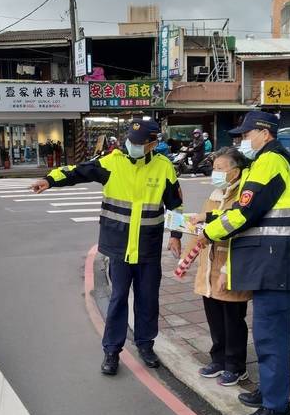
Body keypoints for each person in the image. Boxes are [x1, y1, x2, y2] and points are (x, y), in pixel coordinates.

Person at [31, 119, 183, 375]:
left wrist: (176, 234)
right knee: (118, 299)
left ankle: (146, 345)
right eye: (130, 141)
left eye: (138, 143)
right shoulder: (111, 162)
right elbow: (78, 171)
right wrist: (50, 180)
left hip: (148, 247)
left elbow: (175, 206)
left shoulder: (164, 167)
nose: (132, 146)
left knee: (148, 301)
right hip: (118, 246)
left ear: (153, 144)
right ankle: (112, 351)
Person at [195, 110, 290, 415]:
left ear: (264, 133)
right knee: (266, 333)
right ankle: (271, 392)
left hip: (276, 262)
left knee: (271, 336)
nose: (242, 140)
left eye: (246, 135)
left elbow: (245, 213)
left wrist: (210, 232)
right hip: (271, 261)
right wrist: (210, 221)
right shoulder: (267, 161)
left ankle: (277, 407)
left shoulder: (269, 162)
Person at [187, 147, 253, 386]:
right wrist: (187, 259)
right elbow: (201, 229)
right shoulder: (215, 194)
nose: (215, 173)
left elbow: (239, 230)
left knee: (233, 319)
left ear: (235, 172)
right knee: (214, 317)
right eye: (214, 168)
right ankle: (218, 359)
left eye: (221, 168)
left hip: (230, 268)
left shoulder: (244, 196)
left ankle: (236, 366)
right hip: (209, 269)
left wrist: (228, 270)